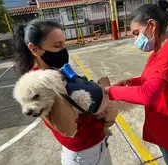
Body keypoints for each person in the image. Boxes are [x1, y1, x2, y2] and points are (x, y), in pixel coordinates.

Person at [104, 1, 168, 165]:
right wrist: (129, 81)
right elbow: (149, 79)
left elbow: (148, 94)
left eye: (136, 33)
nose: (135, 39)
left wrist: (109, 91)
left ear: (152, 25)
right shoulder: (157, 52)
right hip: (164, 128)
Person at [14, 19, 113, 165]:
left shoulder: (54, 70)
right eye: (57, 46)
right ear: (34, 49)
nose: (63, 51)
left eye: (63, 45)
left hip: (97, 144)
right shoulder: (37, 86)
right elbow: (67, 128)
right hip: (84, 153)